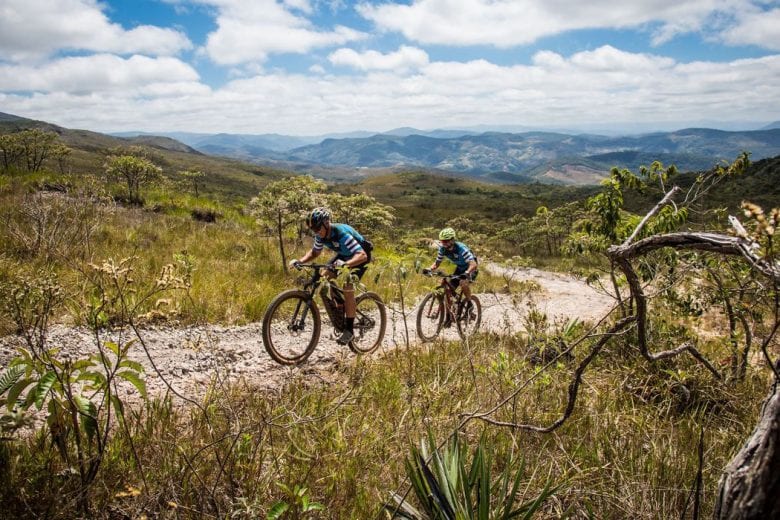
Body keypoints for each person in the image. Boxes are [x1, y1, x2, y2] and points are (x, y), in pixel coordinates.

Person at [290, 207, 370, 345]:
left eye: (317, 228)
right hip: (344, 255)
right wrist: (300, 261)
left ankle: (350, 330)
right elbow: (315, 252)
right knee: (324, 278)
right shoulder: (320, 234)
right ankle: (340, 307)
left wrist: (345, 265)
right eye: (313, 229)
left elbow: (362, 255)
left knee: (347, 286)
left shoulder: (341, 234)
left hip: (360, 256)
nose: (316, 232)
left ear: (326, 223)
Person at [428, 227, 478, 325]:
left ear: (452, 240)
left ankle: (469, 303)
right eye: (442, 241)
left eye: (446, 241)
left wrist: (467, 273)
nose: (444, 243)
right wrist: (429, 269)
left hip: (471, 268)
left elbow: (473, 264)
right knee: (448, 291)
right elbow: (437, 263)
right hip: (460, 268)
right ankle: (448, 318)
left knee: (463, 283)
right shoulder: (442, 249)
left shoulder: (461, 249)